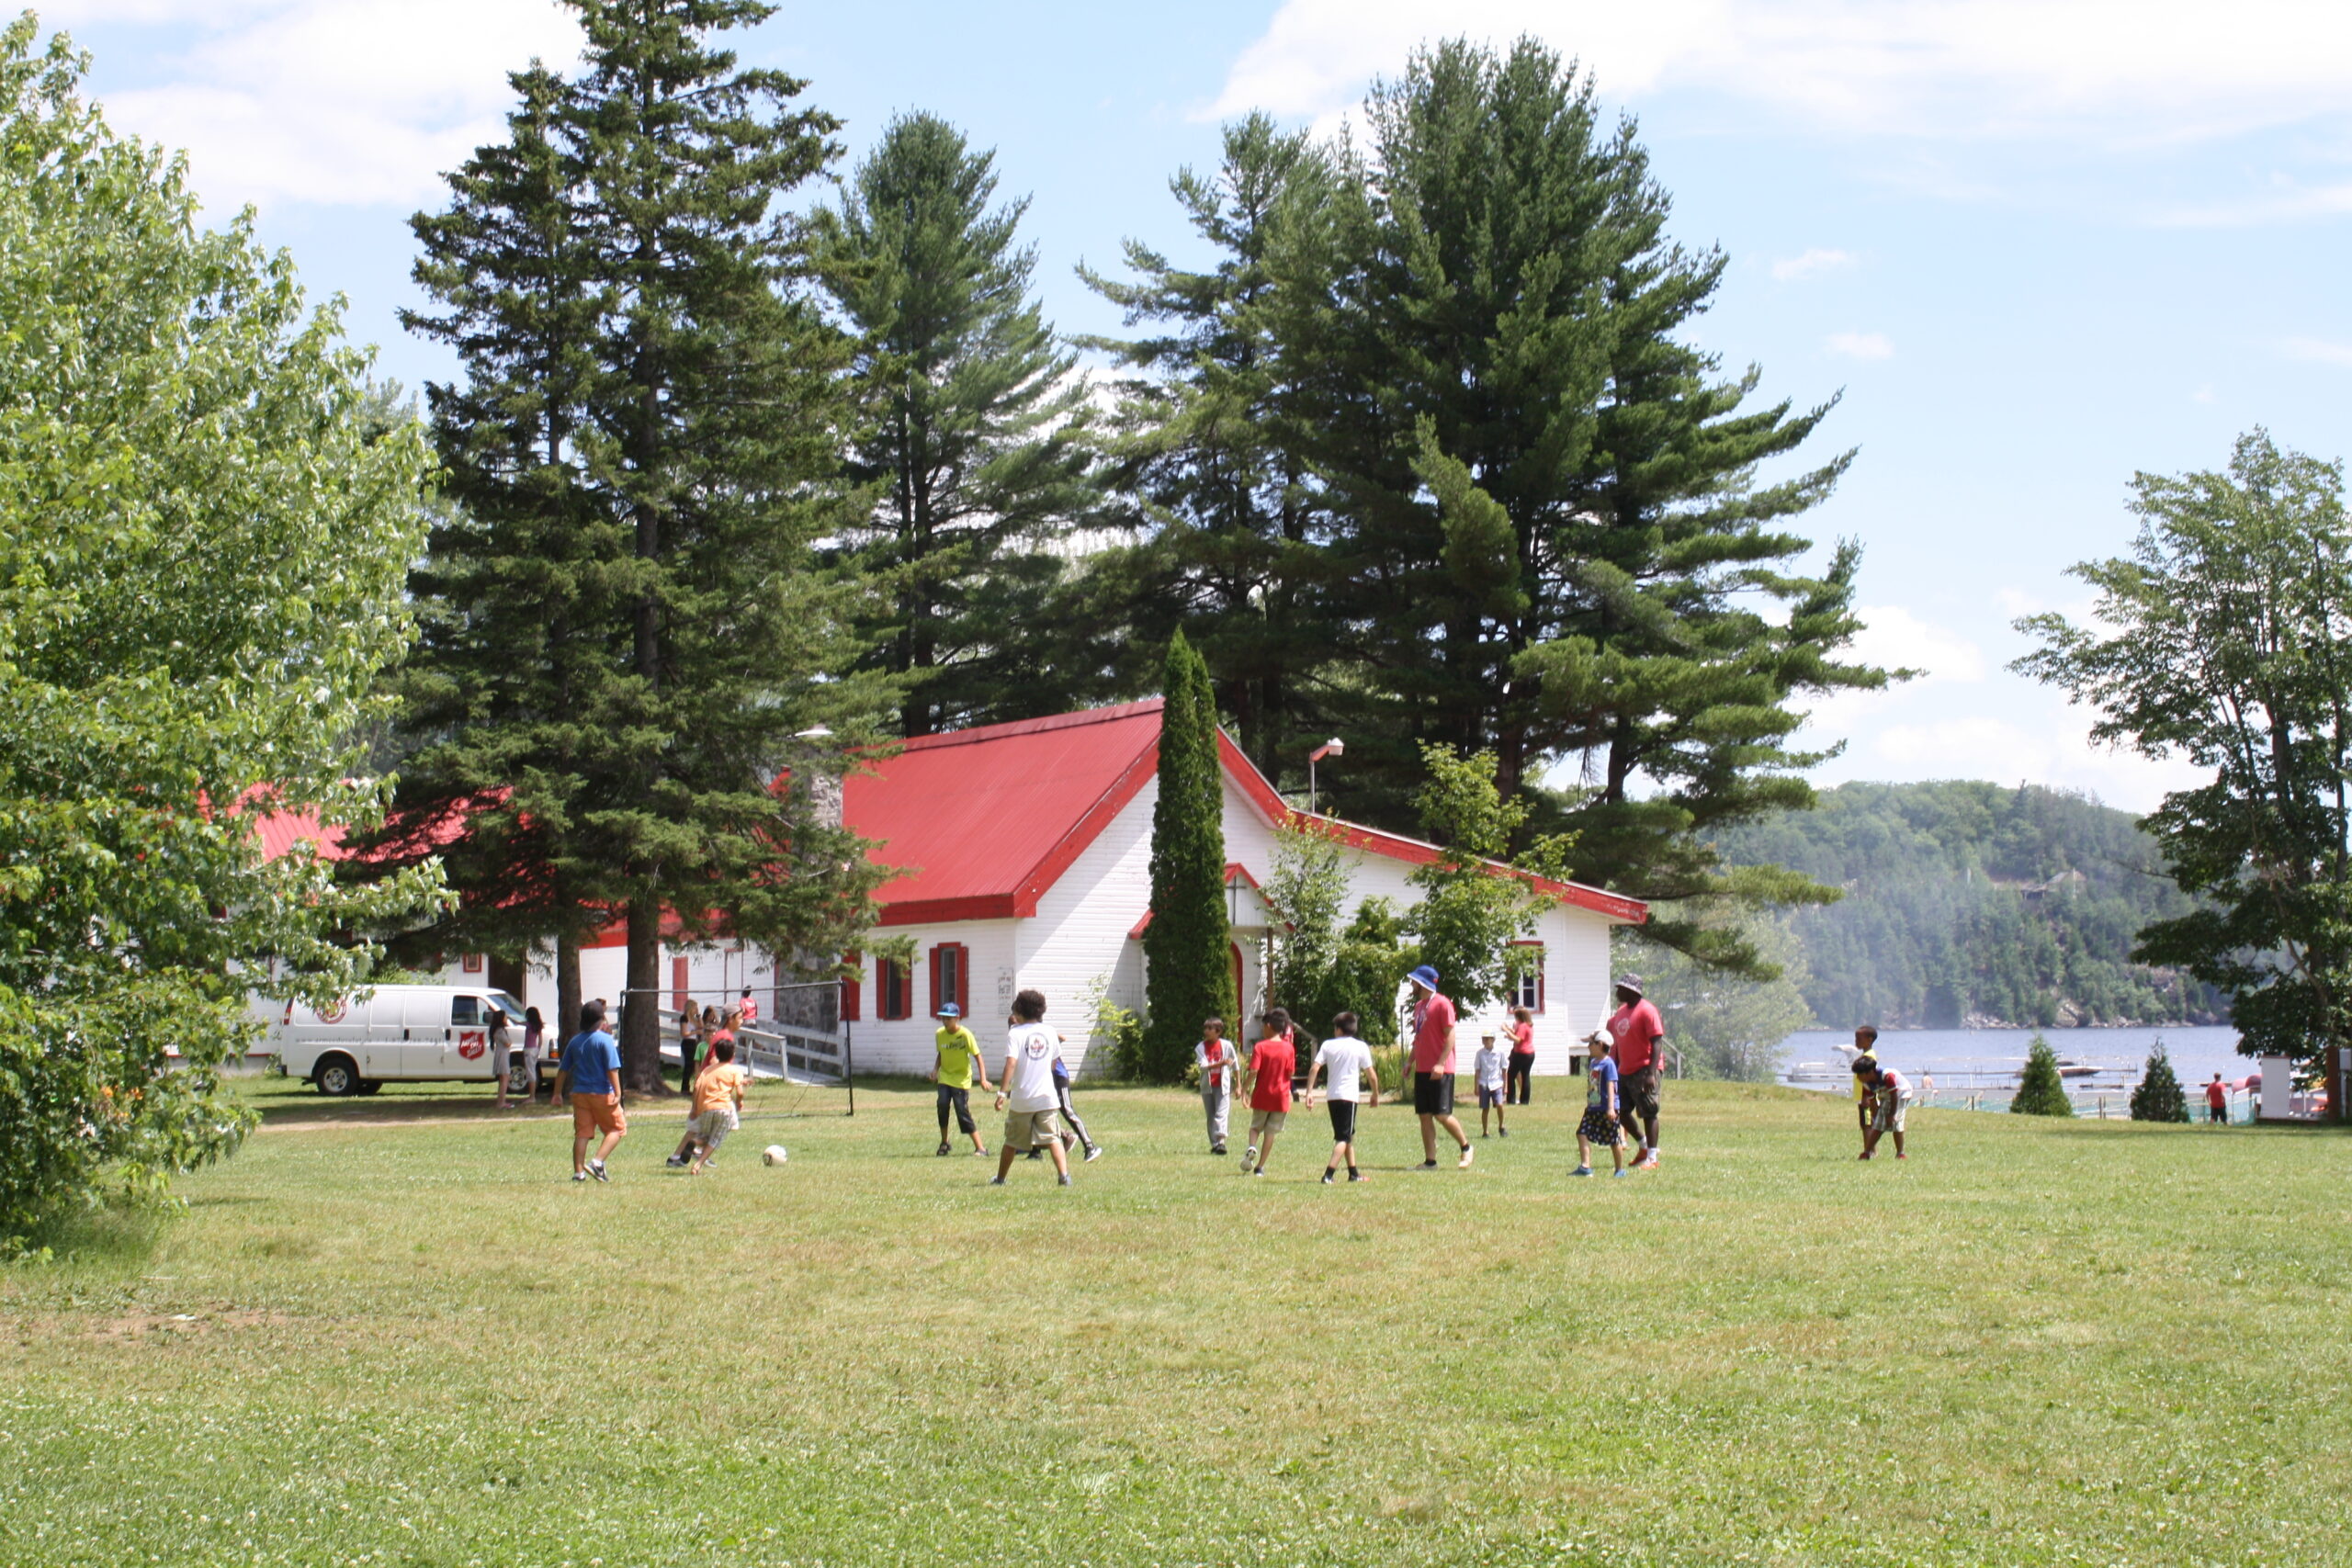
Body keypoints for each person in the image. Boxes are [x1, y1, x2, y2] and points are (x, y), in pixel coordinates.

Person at [989, 990, 1070, 1187]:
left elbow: (1010, 1063)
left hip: (1023, 1098)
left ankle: (1000, 1179)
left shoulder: (1015, 1033)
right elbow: (1053, 1063)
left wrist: (1002, 1092)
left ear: (1020, 1010)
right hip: (1047, 1097)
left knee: (1011, 1140)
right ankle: (1064, 1176)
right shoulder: (1050, 1031)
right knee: (1053, 1138)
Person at [1406, 966, 1474, 1170]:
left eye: (1414, 981)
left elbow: (1450, 1035)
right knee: (1424, 1115)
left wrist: (1441, 1063)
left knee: (1442, 1114)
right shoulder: (1419, 1006)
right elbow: (1418, 1038)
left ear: (1423, 982)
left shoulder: (1443, 1004)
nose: (1411, 984)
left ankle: (1467, 1147)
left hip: (1441, 1069)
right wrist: (1410, 1062)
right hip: (1423, 1068)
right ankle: (1430, 1161)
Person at [1304, 1010, 1378, 1184]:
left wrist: (1309, 1092)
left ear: (1338, 1029)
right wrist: (1375, 1094)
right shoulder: (1360, 1046)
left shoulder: (1328, 1045)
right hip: (1349, 1096)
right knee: (1343, 1138)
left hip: (1333, 1096)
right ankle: (1328, 1175)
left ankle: (1353, 1173)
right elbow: (1371, 1075)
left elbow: (1315, 1068)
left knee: (1346, 1135)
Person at [1599, 976, 1665, 1169]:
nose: (1617, 992)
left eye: (1621, 989)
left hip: (1645, 1069)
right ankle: (1643, 1146)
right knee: (1621, 1111)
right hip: (1624, 1069)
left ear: (1632, 991)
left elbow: (1657, 1042)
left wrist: (1651, 1073)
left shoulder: (1647, 1010)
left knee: (1648, 1111)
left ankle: (1652, 1157)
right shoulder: (1620, 1012)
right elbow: (1617, 1044)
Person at [560, 1001, 625, 1182]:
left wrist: (557, 1093)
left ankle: (578, 1173)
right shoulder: (605, 1040)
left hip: (580, 1094)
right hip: (602, 1092)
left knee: (582, 1133)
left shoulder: (575, 1041)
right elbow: (612, 1069)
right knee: (617, 1129)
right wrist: (618, 1094)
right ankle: (597, 1162)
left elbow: (563, 1069)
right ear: (601, 1020)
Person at [1239, 1007, 1298, 1177]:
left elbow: (1253, 1071)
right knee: (1271, 1131)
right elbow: (1291, 1072)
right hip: (1281, 1096)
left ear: (1269, 1026)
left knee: (1255, 1127)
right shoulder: (1289, 1048)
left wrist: (1244, 1090)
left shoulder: (1261, 1047)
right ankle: (1260, 1167)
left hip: (1263, 1094)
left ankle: (1252, 1146)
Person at [930, 1002, 991, 1157]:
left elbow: (978, 1056)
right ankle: (945, 1142)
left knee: (961, 1111)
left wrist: (983, 1079)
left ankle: (981, 1148)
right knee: (942, 1106)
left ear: (957, 1018)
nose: (945, 1021)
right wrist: (935, 1070)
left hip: (961, 1079)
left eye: (949, 1018)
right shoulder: (939, 1034)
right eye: (943, 1018)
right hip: (945, 1077)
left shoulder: (965, 1035)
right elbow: (941, 1054)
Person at [682, 1037, 749, 1175]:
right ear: (733, 1055)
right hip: (724, 1108)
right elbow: (740, 1092)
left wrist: (694, 1108)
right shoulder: (734, 1071)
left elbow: (697, 1088)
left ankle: (695, 1141)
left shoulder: (707, 1070)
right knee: (716, 1138)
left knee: (706, 1135)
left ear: (716, 1054)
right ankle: (698, 1165)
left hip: (706, 1108)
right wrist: (739, 1102)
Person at [1572, 1045, 1628, 1178]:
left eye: (1591, 1044)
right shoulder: (1593, 1063)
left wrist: (1610, 1108)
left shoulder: (1609, 1064)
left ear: (1601, 1045)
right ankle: (1585, 1166)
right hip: (1593, 1107)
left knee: (1613, 1140)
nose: (1588, 1047)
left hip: (1607, 1108)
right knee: (1581, 1133)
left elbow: (1611, 1086)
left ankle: (1619, 1170)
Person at [1196, 1018, 1238, 1156]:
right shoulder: (1200, 1047)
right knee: (1211, 1115)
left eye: (1210, 1029)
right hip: (1208, 1086)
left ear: (1218, 1031)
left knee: (1221, 1113)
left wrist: (1238, 1085)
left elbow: (1235, 1066)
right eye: (1205, 1028)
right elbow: (1203, 1067)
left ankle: (1221, 1142)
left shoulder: (1226, 1046)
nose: (1206, 1032)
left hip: (1222, 1085)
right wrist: (1221, 1063)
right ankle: (1214, 1144)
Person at [1050, 1052, 1102, 1163]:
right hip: (1047, 1078)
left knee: (1067, 1111)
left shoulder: (1046, 1036)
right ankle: (1035, 1151)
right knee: (1039, 1112)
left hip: (1059, 1077)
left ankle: (1090, 1146)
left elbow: (1062, 1038)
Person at [1860, 1061, 1910, 1160]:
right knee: (1878, 1126)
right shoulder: (1866, 1083)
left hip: (1901, 1094)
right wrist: (1876, 1115)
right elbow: (1873, 1100)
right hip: (1886, 1096)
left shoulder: (1887, 1076)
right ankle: (1866, 1153)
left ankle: (1900, 1153)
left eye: (1860, 1074)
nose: (1858, 1078)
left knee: (1896, 1124)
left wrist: (1891, 1114)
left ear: (1870, 1072)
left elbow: (1894, 1096)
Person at [1849, 1025, 1881, 1155]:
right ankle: (1869, 1149)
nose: (1856, 1041)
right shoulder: (1865, 1055)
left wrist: (1866, 1096)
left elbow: (1870, 1078)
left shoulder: (1869, 1057)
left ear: (1869, 1039)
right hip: (1861, 1096)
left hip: (1865, 1096)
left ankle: (1871, 1150)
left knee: (1868, 1123)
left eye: (1859, 1038)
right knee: (1864, 1123)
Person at [1475, 1030, 1508, 1138]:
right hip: (1484, 1083)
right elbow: (1477, 1070)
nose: (1486, 1041)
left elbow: (1503, 1070)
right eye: (1484, 1039)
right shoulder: (1480, 1053)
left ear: (1493, 1040)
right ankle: (1485, 1131)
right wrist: (1476, 1086)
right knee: (1485, 1108)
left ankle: (1501, 1126)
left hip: (1496, 1083)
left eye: (1488, 1039)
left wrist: (1505, 1086)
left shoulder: (1500, 1052)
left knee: (1499, 1105)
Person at [1505, 1004, 1536, 1106]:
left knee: (1510, 1075)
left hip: (1521, 1054)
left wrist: (1505, 1030)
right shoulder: (1529, 1025)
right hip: (1530, 1053)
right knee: (1525, 1075)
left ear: (1519, 1016)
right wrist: (1509, 1032)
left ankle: (1511, 1099)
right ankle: (1524, 1100)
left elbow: (1518, 1040)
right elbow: (1517, 1036)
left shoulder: (1522, 1026)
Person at [486, 1005, 514, 1111]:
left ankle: (501, 1101)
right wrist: (510, 1042)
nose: (507, 1019)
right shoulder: (500, 1031)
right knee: (504, 1079)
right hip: (503, 1056)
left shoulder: (498, 1030)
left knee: (503, 1079)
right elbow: (507, 1043)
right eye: (505, 1017)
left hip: (502, 1054)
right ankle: (501, 1102)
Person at [521, 1006, 548, 1105]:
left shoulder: (528, 1025)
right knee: (532, 1072)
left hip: (528, 1049)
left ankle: (532, 1097)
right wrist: (538, 1050)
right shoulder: (538, 1025)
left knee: (530, 1073)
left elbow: (520, 1023)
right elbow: (540, 1041)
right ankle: (532, 1096)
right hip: (535, 1049)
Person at [677, 1005, 702, 1095]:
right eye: (695, 1008)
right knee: (689, 1065)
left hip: (693, 1042)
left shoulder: (693, 1019)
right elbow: (684, 1033)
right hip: (687, 1042)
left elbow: (701, 1026)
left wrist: (699, 1016)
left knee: (693, 1065)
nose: (696, 1010)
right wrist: (695, 1032)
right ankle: (685, 1088)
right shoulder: (684, 1018)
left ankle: (688, 1087)